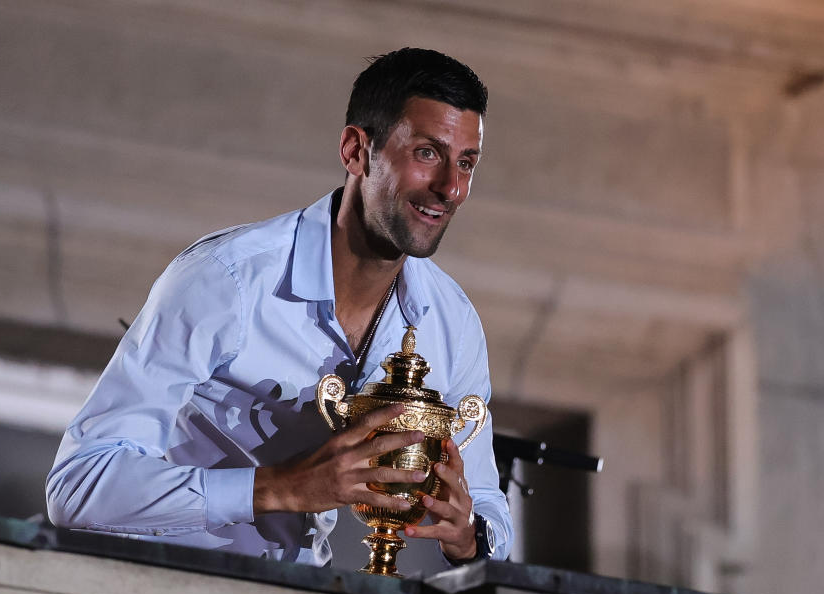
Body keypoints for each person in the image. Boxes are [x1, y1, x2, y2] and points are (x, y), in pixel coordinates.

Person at [46, 48, 512, 567]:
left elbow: (490, 507)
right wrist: (284, 488)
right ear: (357, 151)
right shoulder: (225, 279)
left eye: (466, 162)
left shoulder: (454, 324)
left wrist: (468, 537)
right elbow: (78, 486)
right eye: (428, 153)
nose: (450, 187)